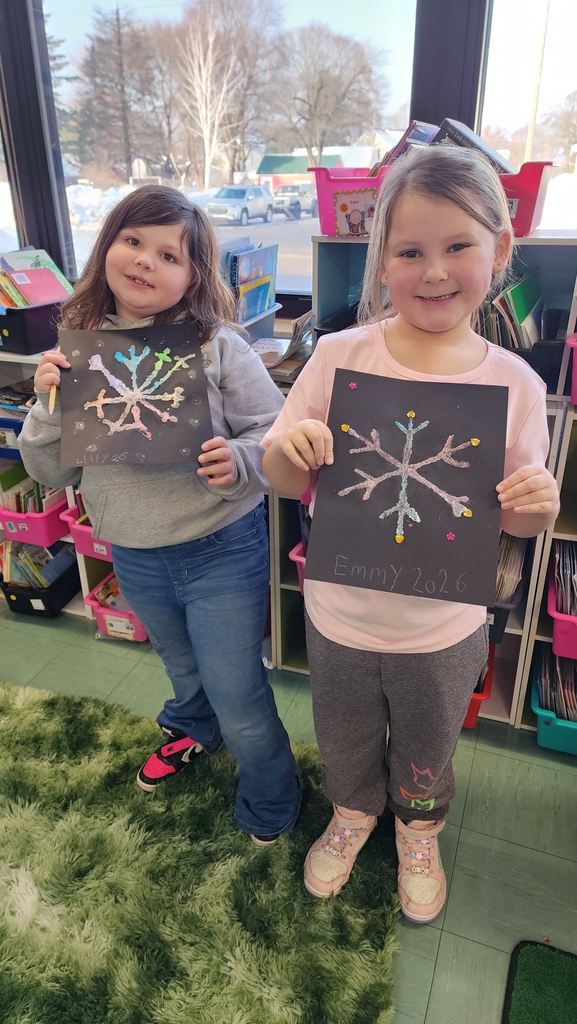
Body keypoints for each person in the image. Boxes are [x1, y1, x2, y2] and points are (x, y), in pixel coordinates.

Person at [262, 146, 559, 922]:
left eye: (457, 246)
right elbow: (282, 477)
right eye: (409, 251)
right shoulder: (338, 356)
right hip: (340, 616)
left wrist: (538, 505)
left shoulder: (515, 385)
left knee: (428, 741)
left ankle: (417, 827)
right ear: (381, 261)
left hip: (443, 626)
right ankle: (354, 812)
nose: (433, 271)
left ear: (498, 251)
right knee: (346, 732)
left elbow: (519, 522)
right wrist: (287, 453)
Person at [19, 184, 300, 844]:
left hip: (219, 547)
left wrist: (240, 460)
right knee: (183, 671)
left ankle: (272, 796)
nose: (146, 260)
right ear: (107, 247)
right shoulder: (78, 350)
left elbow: (276, 431)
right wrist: (48, 404)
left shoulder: (218, 346)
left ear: (193, 277)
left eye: (169, 254)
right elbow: (49, 473)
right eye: (133, 240)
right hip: (135, 552)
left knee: (237, 691)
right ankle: (191, 729)